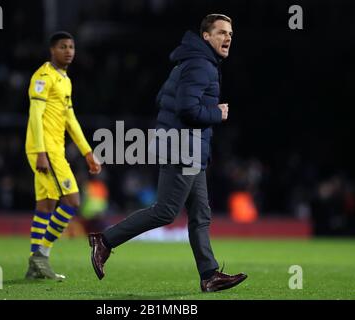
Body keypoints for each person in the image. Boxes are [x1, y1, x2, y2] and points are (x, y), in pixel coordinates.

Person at [89, 14, 247, 292]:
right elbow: (188, 109)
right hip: (183, 148)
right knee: (165, 212)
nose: (228, 38)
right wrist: (216, 113)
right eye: (221, 32)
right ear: (206, 37)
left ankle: (209, 275)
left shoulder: (189, 62)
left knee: (201, 215)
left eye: (231, 34)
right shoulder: (201, 65)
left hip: (187, 148)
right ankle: (105, 241)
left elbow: (162, 98)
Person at [25, 31, 101, 280]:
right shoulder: (43, 77)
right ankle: (41, 255)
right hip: (45, 150)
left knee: (45, 205)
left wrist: (87, 152)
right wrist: (41, 152)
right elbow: (35, 116)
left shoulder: (65, 80)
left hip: (54, 149)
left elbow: (70, 120)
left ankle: (35, 266)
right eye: (63, 47)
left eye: (71, 47)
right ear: (52, 50)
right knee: (72, 201)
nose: (68, 51)